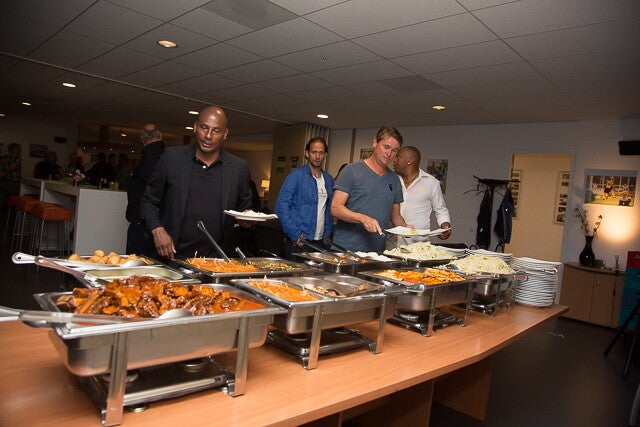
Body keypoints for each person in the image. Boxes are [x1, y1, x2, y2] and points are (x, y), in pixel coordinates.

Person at [140, 106, 253, 260]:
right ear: (195, 127)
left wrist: (246, 221)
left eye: (216, 131)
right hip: (173, 256)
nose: (208, 135)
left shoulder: (238, 167)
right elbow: (148, 200)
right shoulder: (172, 158)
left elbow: (245, 211)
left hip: (216, 261)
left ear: (225, 134)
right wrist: (157, 230)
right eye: (204, 128)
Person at [331, 126, 410, 253]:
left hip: (377, 252)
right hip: (346, 251)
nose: (389, 154)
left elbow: (395, 215)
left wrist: (406, 228)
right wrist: (363, 219)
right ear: (375, 142)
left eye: (394, 150)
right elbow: (335, 208)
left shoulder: (394, 179)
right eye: (386, 147)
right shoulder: (352, 171)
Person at [275, 137, 334, 260]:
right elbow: (281, 207)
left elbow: (328, 208)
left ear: (325, 155)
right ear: (307, 153)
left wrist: (328, 233)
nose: (317, 156)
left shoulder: (328, 179)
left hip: (321, 243)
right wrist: (295, 234)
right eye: (314, 152)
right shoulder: (295, 176)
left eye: (321, 152)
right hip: (299, 242)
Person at [392, 146, 451, 245]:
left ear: (410, 161)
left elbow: (440, 209)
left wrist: (445, 226)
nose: (394, 160)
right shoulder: (391, 180)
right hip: (390, 244)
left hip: (418, 245)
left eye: (398, 157)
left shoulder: (431, 183)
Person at [125, 124, 165, 258]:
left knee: (138, 262)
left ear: (142, 139)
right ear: (160, 135)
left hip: (144, 222)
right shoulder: (166, 155)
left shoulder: (150, 156)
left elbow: (154, 188)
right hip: (152, 222)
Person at [0, 143, 22, 207]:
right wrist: (4, 173)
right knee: (14, 202)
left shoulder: (2, 157)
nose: (21, 150)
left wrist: (2, 175)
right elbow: (13, 167)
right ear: (15, 149)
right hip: (12, 183)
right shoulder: (17, 157)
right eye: (20, 148)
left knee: (1, 200)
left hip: (2, 182)